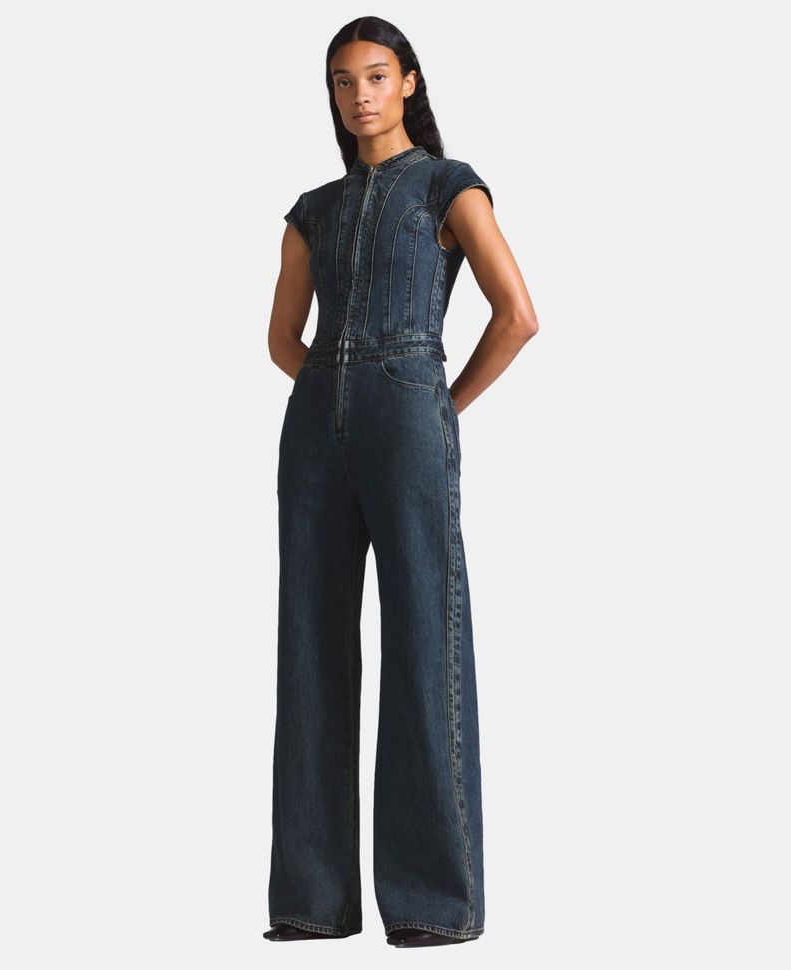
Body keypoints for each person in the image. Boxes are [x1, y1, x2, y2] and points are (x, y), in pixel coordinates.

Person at [264, 16, 538, 949]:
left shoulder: (448, 186)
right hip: (314, 431)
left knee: (426, 636)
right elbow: (280, 339)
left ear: (409, 82)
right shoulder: (312, 209)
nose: (360, 95)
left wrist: (435, 403)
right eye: (343, 82)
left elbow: (517, 314)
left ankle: (431, 904)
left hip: (409, 412)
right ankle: (311, 899)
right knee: (309, 645)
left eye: (376, 76)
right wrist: (333, 387)